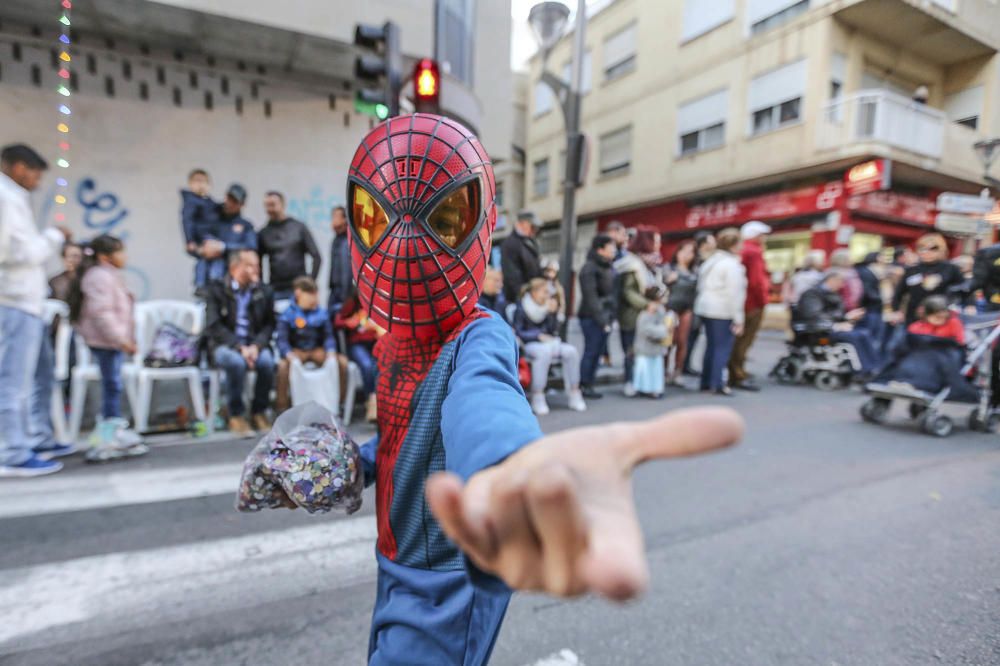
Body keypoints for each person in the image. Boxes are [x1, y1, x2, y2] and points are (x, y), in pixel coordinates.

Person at [315, 114, 743, 665]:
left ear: (480, 225)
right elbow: (407, 435)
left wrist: (514, 467)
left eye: (443, 220)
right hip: (397, 551)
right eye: (380, 217)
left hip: (448, 567)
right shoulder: (395, 338)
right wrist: (357, 461)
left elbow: (483, 405)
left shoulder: (480, 335)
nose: (406, 244)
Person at [0, 143, 75, 477]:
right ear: (18, 167)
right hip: (12, 302)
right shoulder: (4, 198)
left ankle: (38, 436)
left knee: (41, 375)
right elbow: (14, 253)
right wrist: (53, 237)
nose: (38, 181)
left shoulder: (13, 198)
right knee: (13, 380)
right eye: (35, 173)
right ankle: (12, 451)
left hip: (29, 303)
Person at [71, 235, 149, 461]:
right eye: (120, 252)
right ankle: (106, 437)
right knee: (111, 386)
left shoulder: (106, 275)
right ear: (105, 257)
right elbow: (101, 313)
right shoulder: (99, 277)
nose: (124, 257)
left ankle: (113, 433)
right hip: (105, 342)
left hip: (110, 342)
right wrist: (121, 339)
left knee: (113, 385)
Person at [203, 249, 277, 435]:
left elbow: (269, 325)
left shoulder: (264, 291)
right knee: (235, 363)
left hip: (254, 345)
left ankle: (259, 411)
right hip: (226, 346)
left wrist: (256, 346)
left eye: (257, 265)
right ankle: (236, 415)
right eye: (250, 265)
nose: (256, 270)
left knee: (267, 362)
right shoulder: (216, 290)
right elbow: (214, 326)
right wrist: (239, 347)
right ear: (235, 267)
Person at [873, 296, 976, 403]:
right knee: (904, 359)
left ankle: (915, 383)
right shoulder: (917, 326)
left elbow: (959, 343)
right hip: (917, 358)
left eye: (942, 315)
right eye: (936, 315)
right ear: (927, 314)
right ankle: (897, 383)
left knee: (929, 361)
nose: (940, 318)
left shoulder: (953, 323)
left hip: (941, 358)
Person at [513, 278, 587, 416]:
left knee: (571, 351)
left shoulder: (547, 306)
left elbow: (553, 330)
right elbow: (518, 331)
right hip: (530, 343)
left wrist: (553, 313)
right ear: (534, 292)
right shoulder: (522, 306)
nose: (547, 295)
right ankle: (538, 394)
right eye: (544, 292)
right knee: (544, 353)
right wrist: (538, 335)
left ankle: (574, 391)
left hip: (550, 342)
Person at [275, 277, 339, 414]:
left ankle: (339, 404)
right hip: (297, 352)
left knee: (342, 364)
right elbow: (282, 340)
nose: (314, 299)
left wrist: (331, 351)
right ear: (298, 293)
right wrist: (288, 354)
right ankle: (282, 407)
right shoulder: (287, 314)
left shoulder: (321, 313)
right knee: (282, 368)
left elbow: (328, 336)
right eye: (310, 295)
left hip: (317, 351)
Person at [694, 227, 746, 396]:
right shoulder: (731, 265)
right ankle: (717, 383)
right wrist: (738, 318)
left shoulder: (711, 261)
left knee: (711, 347)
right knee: (722, 348)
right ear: (733, 245)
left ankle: (706, 381)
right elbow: (735, 293)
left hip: (705, 308)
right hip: (722, 310)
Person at [795, 272, 880, 375]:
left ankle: (875, 367)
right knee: (854, 336)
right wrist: (835, 325)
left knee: (863, 333)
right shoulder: (812, 294)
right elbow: (814, 316)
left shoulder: (833, 294)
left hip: (828, 329)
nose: (842, 285)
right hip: (818, 336)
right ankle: (863, 370)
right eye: (840, 282)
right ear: (831, 280)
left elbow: (835, 314)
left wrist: (847, 317)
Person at [614, 227, 664, 396]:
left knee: (648, 351)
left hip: (650, 316)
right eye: (655, 240)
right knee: (632, 351)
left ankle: (646, 384)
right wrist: (645, 304)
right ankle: (630, 381)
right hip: (632, 315)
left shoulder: (653, 265)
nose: (658, 244)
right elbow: (628, 291)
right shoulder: (631, 264)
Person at [728, 221, 770, 392]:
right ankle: (737, 374)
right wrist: (762, 301)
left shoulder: (745, 251)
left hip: (745, 301)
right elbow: (756, 281)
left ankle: (737, 370)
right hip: (751, 303)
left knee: (739, 340)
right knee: (744, 340)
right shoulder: (753, 252)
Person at [258, 191, 321, 301]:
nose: (270, 209)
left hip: (299, 289)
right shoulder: (264, 233)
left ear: (282, 204)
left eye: (273, 204)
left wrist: (310, 282)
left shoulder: (298, 228)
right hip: (275, 289)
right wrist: (262, 288)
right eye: (267, 206)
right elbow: (258, 262)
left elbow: (316, 256)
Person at [891, 233, 963, 325]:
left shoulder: (951, 269)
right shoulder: (912, 270)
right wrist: (896, 311)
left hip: (940, 315)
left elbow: (963, 288)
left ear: (941, 250)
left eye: (933, 249)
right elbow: (899, 293)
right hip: (914, 315)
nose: (927, 252)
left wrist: (969, 305)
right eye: (922, 248)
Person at [576, 234, 616, 399]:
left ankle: (590, 383)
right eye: (610, 247)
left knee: (598, 352)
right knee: (591, 351)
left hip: (605, 317)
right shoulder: (590, 268)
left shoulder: (608, 267)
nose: (614, 250)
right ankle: (584, 384)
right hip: (592, 317)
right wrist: (602, 320)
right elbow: (591, 297)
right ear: (600, 249)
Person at [334, 294, 381, 423]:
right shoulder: (353, 300)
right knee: (366, 365)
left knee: (381, 364)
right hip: (357, 344)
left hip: (375, 342)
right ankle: (371, 400)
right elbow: (338, 320)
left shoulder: (378, 300)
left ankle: (379, 402)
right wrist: (350, 323)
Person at [682, 230, 719, 376]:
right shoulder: (696, 261)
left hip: (702, 304)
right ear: (703, 244)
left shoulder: (710, 259)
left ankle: (687, 364)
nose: (713, 244)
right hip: (692, 305)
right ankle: (684, 364)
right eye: (711, 241)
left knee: (695, 336)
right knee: (689, 336)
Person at [181, 168, 225, 289]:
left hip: (212, 236)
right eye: (197, 181)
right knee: (207, 258)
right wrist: (190, 240)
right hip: (202, 237)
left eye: (203, 181)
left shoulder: (208, 202)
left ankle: (210, 281)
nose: (200, 184)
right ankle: (204, 282)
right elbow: (187, 221)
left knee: (212, 259)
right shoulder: (191, 202)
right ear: (190, 184)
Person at [666, 240, 697, 386]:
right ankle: (664, 370)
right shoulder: (669, 269)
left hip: (687, 309)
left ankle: (677, 371)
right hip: (670, 308)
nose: (686, 255)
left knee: (682, 341)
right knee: (667, 341)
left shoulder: (694, 272)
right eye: (683, 251)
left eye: (690, 252)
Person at [632, 288, 669, 399]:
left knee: (655, 368)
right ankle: (644, 388)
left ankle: (654, 388)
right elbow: (646, 329)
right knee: (645, 368)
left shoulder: (661, 311)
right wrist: (664, 330)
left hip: (656, 348)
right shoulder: (646, 314)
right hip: (645, 348)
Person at [500, 210, 543, 303]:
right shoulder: (510, 244)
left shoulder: (531, 241)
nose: (535, 230)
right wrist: (523, 294)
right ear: (522, 224)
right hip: (520, 297)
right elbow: (511, 274)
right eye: (532, 226)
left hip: (535, 294)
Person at [327, 205, 353, 316]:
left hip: (345, 291)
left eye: (336, 217)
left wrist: (345, 296)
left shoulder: (348, 240)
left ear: (344, 219)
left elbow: (347, 270)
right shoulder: (336, 240)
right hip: (335, 290)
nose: (333, 221)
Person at [854, 252, 885, 340]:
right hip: (870, 308)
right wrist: (880, 299)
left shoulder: (870, 270)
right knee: (870, 335)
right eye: (881, 256)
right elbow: (867, 290)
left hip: (873, 307)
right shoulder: (866, 271)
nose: (884, 259)